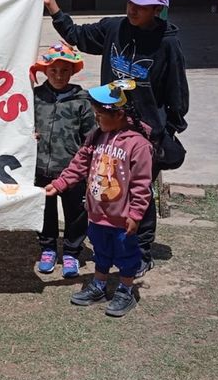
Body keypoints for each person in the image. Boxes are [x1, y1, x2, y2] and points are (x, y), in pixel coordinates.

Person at [37, 0, 188, 277]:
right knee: (108, 189)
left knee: (138, 195)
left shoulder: (167, 43)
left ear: (157, 9)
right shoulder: (113, 28)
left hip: (146, 135)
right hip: (110, 126)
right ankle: (110, 248)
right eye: (130, 1)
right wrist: (52, 6)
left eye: (141, 5)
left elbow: (177, 92)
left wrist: (165, 132)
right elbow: (77, 36)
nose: (132, 9)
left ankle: (140, 253)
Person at [45, 79, 152, 318]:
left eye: (100, 115)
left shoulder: (138, 145)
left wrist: (135, 215)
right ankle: (99, 286)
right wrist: (60, 184)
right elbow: (80, 164)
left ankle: (126, 289)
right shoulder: (96, 137)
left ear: (119, 114)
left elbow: (142, 184)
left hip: (122, 218)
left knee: (126, 255)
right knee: (101, 251)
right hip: (97, 214)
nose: (96, 120)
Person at [30, 43, 96, 278]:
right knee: (43, 211)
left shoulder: (82, 100)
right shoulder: (34, 98)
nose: (58, 76)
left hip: (72, 170)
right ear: (45, 71)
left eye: (64, 71)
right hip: (39, 168)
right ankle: (47, 249)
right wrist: (28, 133)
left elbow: (91, 137)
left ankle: (71, 252)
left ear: (73, 72)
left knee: (76, 212)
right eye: (53, 71)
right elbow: (20, 125)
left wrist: (86, 168)